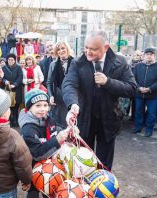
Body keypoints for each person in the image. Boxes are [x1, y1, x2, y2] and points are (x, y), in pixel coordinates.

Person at [62, 30, 137, 170]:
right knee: (84, 162)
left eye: (93, 49)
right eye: (86, 47)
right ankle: (85, 189)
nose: (88, 52)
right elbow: (69, 84)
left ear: (106, 47)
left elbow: (132, 88)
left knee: (104, 165)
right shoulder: (78, 63)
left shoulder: (119, 63)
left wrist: (108, 82)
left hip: (108, 119)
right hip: (85, 118)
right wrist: (72, 103)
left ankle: (103, 189)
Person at [18, 89, 69, 198]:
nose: (43, 109)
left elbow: (55, 128)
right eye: (38, 106)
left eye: (45, 105)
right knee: (33, 191)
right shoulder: (28, 130)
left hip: (49, 167)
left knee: (49, 191)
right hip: (32, 169)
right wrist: (57, 140)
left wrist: (68, 130)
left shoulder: (47, 119)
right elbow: (37, 154)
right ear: (29, 108)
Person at [47, 41, 74, 128]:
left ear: (67, 49)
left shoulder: (75, 63)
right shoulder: (53, 64)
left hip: (72, 99)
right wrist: (51, 95)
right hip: (58, 99)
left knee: (72, 124)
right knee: (60, 126)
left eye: (63, 48)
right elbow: (49, 82)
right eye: (58, 49)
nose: (61, 51)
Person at [133, 48, 157, 137]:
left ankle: (149, 130)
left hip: (153, 95)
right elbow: (133, 78)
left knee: (151, 113)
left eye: (151, 54)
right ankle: (137, 128)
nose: (149, 56)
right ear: (144, 55)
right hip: (139, 94)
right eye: (147, 54)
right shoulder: (137, 66)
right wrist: (139, 87)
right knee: (138, 111)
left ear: (154, 56)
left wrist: (150, 88)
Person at [2, 54, 23, 127]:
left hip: (16, 89)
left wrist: (15, 84)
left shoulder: (18, 67)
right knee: (9, 106)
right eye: (9, 60)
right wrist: (5, 81)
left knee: (16, 105)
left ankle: (16, 120)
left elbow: (20, 77)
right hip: (8, 89)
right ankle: (10, 120)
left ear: (15, 60)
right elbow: (2, 77)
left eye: (12, 60)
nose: (11, 61)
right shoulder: (4, 68)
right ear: (7, 60)